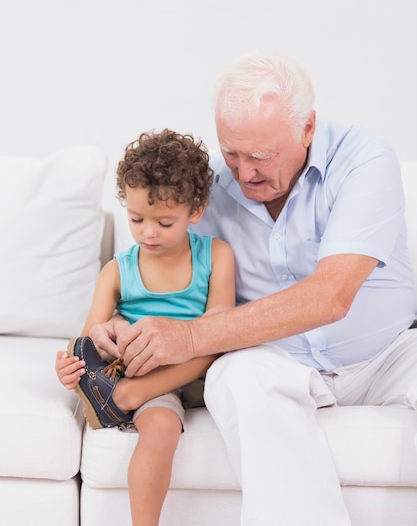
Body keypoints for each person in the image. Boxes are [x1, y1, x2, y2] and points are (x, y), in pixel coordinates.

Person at [90, 52, 417, 526]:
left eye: (261, 156)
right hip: (274, 360)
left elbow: (332, 295)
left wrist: (190, 338)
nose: (244, 174)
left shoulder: (364, 159)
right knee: (236, 377)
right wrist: (118, 325)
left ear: (307, 129)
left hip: (388, 353)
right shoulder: (210, 189)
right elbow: (147, 269)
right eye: (232, 153)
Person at [55, 128, 235, 526]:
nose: (148, 232)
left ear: (196, 209)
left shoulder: (217, 255)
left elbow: (220, 328)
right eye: (137, 219)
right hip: (150, 369)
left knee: (220, 334)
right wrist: (73, 364)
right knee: (160, 428)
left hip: (202, 363)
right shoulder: (117, 270)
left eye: (165, 222)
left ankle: (125, 397)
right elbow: (88, 341)